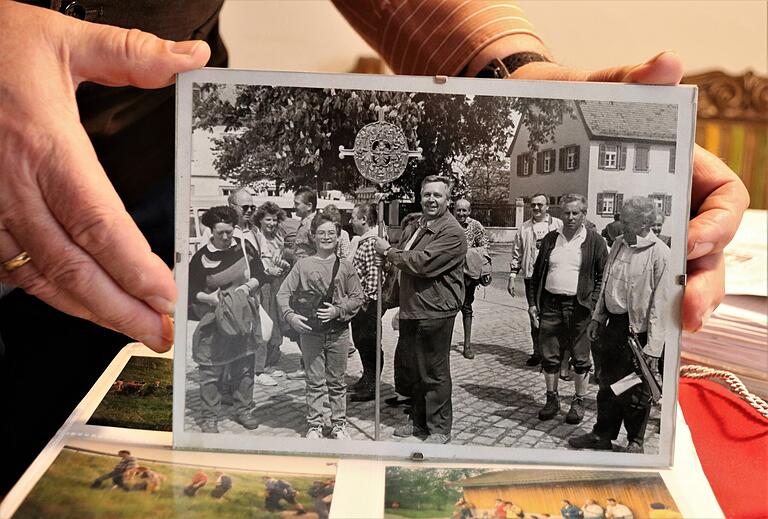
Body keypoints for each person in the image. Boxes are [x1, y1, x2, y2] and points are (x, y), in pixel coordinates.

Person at [0, 0, 749, 495]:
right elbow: (331, 269)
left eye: (429, 198)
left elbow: (409, 261)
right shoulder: (371, 234)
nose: (422, 203)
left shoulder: (439, 228)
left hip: (143, 172)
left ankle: (429, 426)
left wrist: (505, 69)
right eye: (417, 200)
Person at [569, 197, 671, 454]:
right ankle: (602, 434)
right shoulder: (618, 244)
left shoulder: (660, 254)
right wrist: (597, 318)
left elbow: (662, 303)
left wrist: (653, 347)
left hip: (638, 332)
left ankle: (635, 441)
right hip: (612, 325)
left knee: (635, 387)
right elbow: (606, 286)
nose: (620, 224)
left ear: (644, 222)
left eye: (627, 220)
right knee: (607, 384)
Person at [374, 175, 467, 444]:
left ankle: (439, 429)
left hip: (435, 310)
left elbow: (423, 263)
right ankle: (417, 422)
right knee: (414, 369)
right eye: (427, 194)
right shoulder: (419, 225)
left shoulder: (451, 232)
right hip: (413, 307)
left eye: (438, 195)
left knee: (434, 372)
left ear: (447, 200)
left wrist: (390, 252)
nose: (431, 200)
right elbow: (405, 257)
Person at [276, 212, 365, 439]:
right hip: (311, 333)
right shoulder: (302, 265)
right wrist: (290, 317)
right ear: (313, 236)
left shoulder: (345, 266)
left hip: (338, 333)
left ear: (338, 236)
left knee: (337, 381)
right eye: (321, 233)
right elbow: (283, 294)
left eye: (331, 233)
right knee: (314, 381)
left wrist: (338, 310)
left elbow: (358, 297)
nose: (326, 237)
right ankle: (314, 424)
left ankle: (338, 424)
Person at [527, 194, 607, 425]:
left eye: (576, 213)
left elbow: (603, 276)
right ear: (560, 214)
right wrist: (533, 303)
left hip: (580, 307)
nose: (570, 217)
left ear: (584, 214)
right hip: (551, 305)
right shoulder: (552, 238)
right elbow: (537, 273)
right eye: (567, 213)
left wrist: (592, 303)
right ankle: (551, 400)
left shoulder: (595, 241)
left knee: (581, 357)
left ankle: (579, 401)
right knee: (549, 354)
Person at [188, 205, 265, 433]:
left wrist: (247, 287)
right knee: (210, 370)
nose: (225, 237)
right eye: (220, 232)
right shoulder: (201, 258)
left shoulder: (244, 247)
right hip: (214, 321)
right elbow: (190, 289)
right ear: (211, 231)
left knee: (244, 366)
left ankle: (243, 410)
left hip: (243, 317)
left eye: (229, 232)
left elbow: (260, 274)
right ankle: (210, 417)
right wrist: (209, 299)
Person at [509, 193, 563, 366]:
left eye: (540, 204)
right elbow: (517, 253)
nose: (536, 208)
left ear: (547, 206)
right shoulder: (524, 228)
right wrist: (512, 276)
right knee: (534, 314)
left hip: (553, 277)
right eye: (533, 205)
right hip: (532, 278)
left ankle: (556, 355)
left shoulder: (558, 225)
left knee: (555, 316)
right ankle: (537, 352)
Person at [349, 202, 386, 402]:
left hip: (368, 304)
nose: (351, 221)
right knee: (361, 342)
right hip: (361, 302)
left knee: (369, 343)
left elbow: (374, 277)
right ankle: (367, 377)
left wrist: (365, 302)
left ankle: (372, 384)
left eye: (353, 217)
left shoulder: (372, 242)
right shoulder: (364, 240)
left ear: (363, 219)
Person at [253, 201, 293, 382]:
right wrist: (268, 270)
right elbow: (256, 263)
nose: (272, 223)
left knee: (277, 320)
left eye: (275, 220)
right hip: (263, 283)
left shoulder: (278, 237)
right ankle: (259, 367)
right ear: (260, 220)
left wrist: (283, 265)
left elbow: (281, 260)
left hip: (278, 281)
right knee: (265, 321)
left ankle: (272, 361)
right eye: (268, 219)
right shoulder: (256, 237)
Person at [454, 198, 490, 360]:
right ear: (454, 210)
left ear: (469, 211)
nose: (461, 213)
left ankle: (467, 346)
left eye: (464, 210)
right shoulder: (449, 224)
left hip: (468, 274)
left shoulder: (475, 225)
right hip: (450, 273)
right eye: (458, 210)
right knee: (448, 308)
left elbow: (484, 246)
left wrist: (471, 256)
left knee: (466, 307)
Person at [293, 186, 319, 260]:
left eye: (297, 204)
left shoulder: (313, 224)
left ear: (309, 206)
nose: (294, 206)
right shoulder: (304, 224)